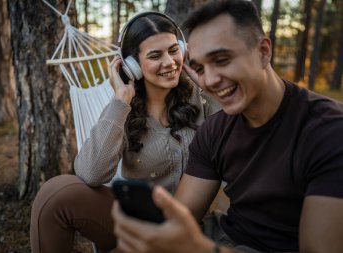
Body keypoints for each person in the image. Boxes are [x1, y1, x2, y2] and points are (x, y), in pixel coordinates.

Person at [111, 1, 343, 252]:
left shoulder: (329, 131)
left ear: (264, 51)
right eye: (199, 68)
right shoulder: (214, 129)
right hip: (225, 239)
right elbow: (180, 219)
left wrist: (198, 248)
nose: (208, 80)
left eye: (222, 59)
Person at [30, 12, 220, 253]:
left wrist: (204, 80)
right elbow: (90, 174)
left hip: (190, 224)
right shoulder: (122, 108)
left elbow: (238, 127)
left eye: (174, 50)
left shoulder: (201, 96)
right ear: (132, 66)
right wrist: (121, 102)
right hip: (136, 221)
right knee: (54, 195)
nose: (170, 62)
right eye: (155, 55)